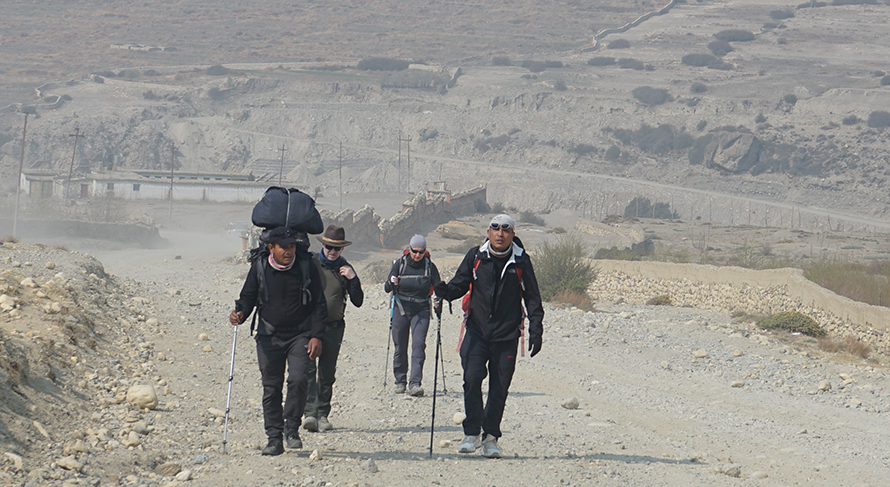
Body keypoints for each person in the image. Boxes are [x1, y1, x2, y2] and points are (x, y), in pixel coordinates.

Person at [433, 214, 544, 459]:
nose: (500, 233)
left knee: (499, 388)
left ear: (513, 234)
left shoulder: (521, 262)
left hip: (507, 335)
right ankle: (471, 432)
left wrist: (537, 328)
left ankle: (490, 437)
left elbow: (533, 297)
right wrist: (445, 292)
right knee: (472, 378)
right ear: (488, 232)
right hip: (477, 331)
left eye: (506, 229)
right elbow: (460, 283)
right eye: (495, 228)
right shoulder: (476, 256)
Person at [229, 226, 327, 456]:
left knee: (299, 379)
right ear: (271, 247)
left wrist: (316, 335)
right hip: (268, 335)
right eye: (284, 247)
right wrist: (240, 314)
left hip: (300, 335)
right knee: (271, 388)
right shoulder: (260, 267)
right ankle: (274, 438)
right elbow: (247, 298)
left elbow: (319, 305)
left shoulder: (306, 267)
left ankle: (291, 429)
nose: (289, 251)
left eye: (292, 246)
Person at [302, 225, 364, 432]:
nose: (332, 251)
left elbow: (358, 301)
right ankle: (309, 413)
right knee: (308, 371)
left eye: (336, 249)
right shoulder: (311, 264)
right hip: (309, 326)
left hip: (334, 327)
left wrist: (353, 279)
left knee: (327, 373)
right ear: (322, 245)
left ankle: (322, 414)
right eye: (329, 247)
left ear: (342, 250)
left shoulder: (345, 269)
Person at [384, 234, 441, 396]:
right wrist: (391, 283)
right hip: (401, 308)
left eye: (421, 252)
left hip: (421, 310)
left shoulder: (430, 266)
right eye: (415, 251)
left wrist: (439, 299)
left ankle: (415, 383)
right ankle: (400, 381)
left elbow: (438, 286)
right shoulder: (399, 264)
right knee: (400, 346)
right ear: (409, 249)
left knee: (418, 345)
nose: (417, 255)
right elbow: (387, 287)